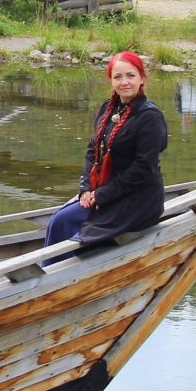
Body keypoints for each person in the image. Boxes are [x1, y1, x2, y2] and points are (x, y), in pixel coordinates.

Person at [44, 51, 169, 249]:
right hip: (104, 190)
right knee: (59, 220)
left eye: (130, 75)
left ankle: (66, 273)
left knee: (71, 224)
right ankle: (51, 272)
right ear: (111, 80)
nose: (124, 82)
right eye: (117, 77)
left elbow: (142, 169)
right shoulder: (108, 109)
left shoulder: (150, 117)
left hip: (137, 198)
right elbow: (92, 151)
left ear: (142, 78)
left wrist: (102, 195)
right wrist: (86, 188)